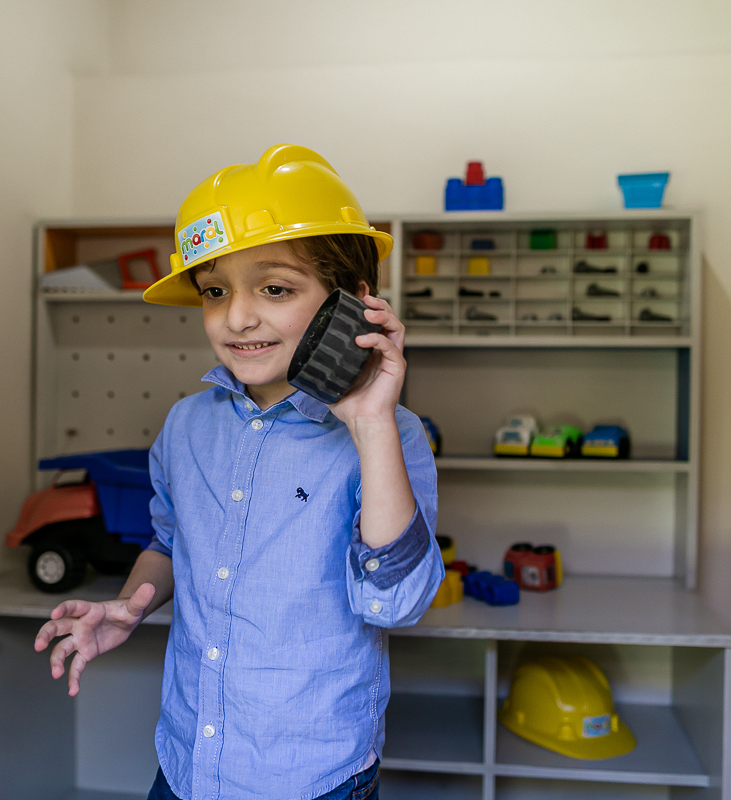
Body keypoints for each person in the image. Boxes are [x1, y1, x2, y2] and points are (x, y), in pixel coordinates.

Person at [33, 144, 443, 800]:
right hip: (189, 761)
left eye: (274, 288)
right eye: (214, 291)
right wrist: (127, 606)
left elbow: (394, 604)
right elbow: (169, 544)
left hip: (309, 778)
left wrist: (370, 422)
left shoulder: (391, 437)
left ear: (355, 301)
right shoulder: (185, 426)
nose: (236, 317)